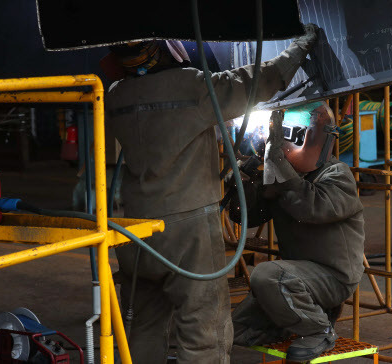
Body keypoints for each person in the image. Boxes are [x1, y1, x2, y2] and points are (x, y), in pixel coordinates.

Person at [104, 25, 318, 364]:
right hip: (187, 229)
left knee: (142, 325)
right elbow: (261, 79)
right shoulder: (191, 85)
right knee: (203, 328)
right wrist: (302, 45)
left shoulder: (115, 95)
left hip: (133, 229)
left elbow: (166, 130)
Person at [230, 102, 365, 363]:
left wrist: (277, 165)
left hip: (333, 278)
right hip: (296, 279)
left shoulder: (337, 175)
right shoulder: (284, 180)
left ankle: (320, 330)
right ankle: (298, 319)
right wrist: (243, 183)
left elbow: (310, 208)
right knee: (238, 330)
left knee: (266, 274)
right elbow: (248, 215)